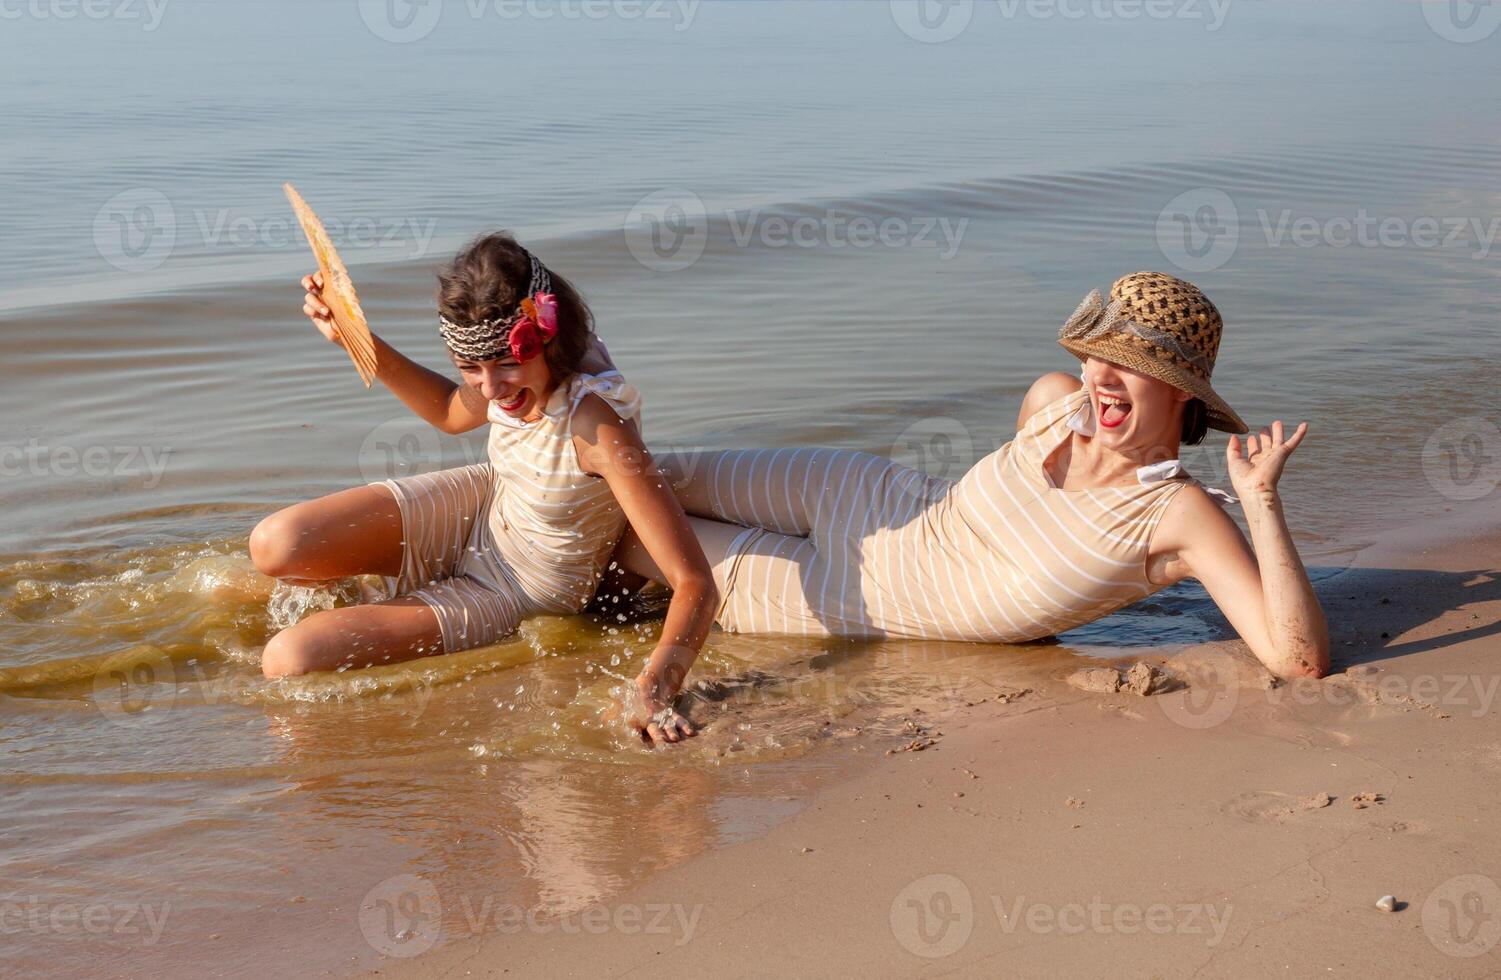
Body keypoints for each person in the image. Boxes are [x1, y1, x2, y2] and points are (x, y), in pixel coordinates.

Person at [608, 272, 1329, 680]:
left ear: (1181, 392)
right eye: (1093, 355)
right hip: (859, 492)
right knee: (629, 473)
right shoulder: (1054, 400)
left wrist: (1260, 503)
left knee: (620, 542)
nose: (1100, 375)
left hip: (848, 597)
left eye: (1129, 364)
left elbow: (1296, 659)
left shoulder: (1177, 518)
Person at [250, 233, 716, 744]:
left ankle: (383, 594)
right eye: (471, 367)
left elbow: (694, 581)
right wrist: (353, 337)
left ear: (550, 338)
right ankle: (379, 590)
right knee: (275, 544)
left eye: (506, 365)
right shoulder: (514, 377)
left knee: (288, 659)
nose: (491, 390)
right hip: (483, 506)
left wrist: (654, 687)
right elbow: (452, 412)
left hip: (512, 588)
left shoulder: (597, 427)